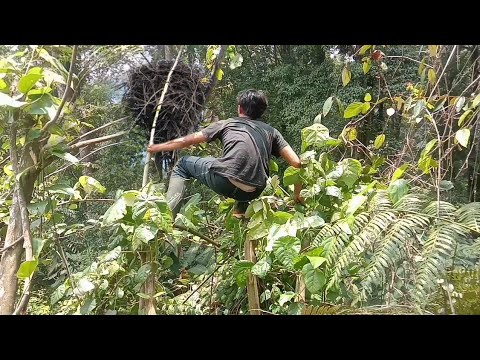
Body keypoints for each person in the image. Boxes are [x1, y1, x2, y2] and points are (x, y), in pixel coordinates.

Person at [147, 89, 303, 219]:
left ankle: (167, 219)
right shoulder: (272, 132)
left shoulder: (227, 123)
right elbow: (297, 163)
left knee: (182, 164)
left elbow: (187, 141)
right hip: (254, 192)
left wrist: (157, 147)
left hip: (225, 182)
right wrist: (297, 194)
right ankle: (240, 211)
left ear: (240, 108)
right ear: (261, 112)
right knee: (236, 167)